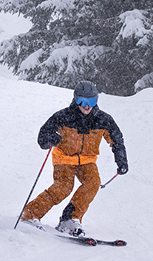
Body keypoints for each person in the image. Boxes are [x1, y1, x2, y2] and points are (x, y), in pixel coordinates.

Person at [20, 80, 128, 235]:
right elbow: (42, 137)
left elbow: (117, 140)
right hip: (64, 158)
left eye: (92, 101)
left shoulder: (103, 120)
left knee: (93, 183)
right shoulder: (63, 116)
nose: (87, 106)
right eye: (82, 101)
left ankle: (69, 219)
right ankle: (30, 214)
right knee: (64, 187)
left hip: (87, 160)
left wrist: (122, 160)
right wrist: (51, 139)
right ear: (75, 99)